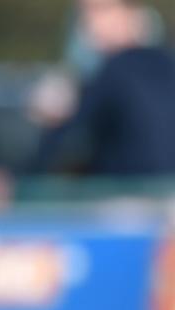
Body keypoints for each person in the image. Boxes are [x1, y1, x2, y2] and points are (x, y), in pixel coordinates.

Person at [36, 0, 175, 179]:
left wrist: (52, 123)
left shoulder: (114, 71)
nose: (88, 21)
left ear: (132, 11)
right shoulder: (165, 63)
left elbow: (58, 150)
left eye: (99, 10)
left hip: (128, 192)